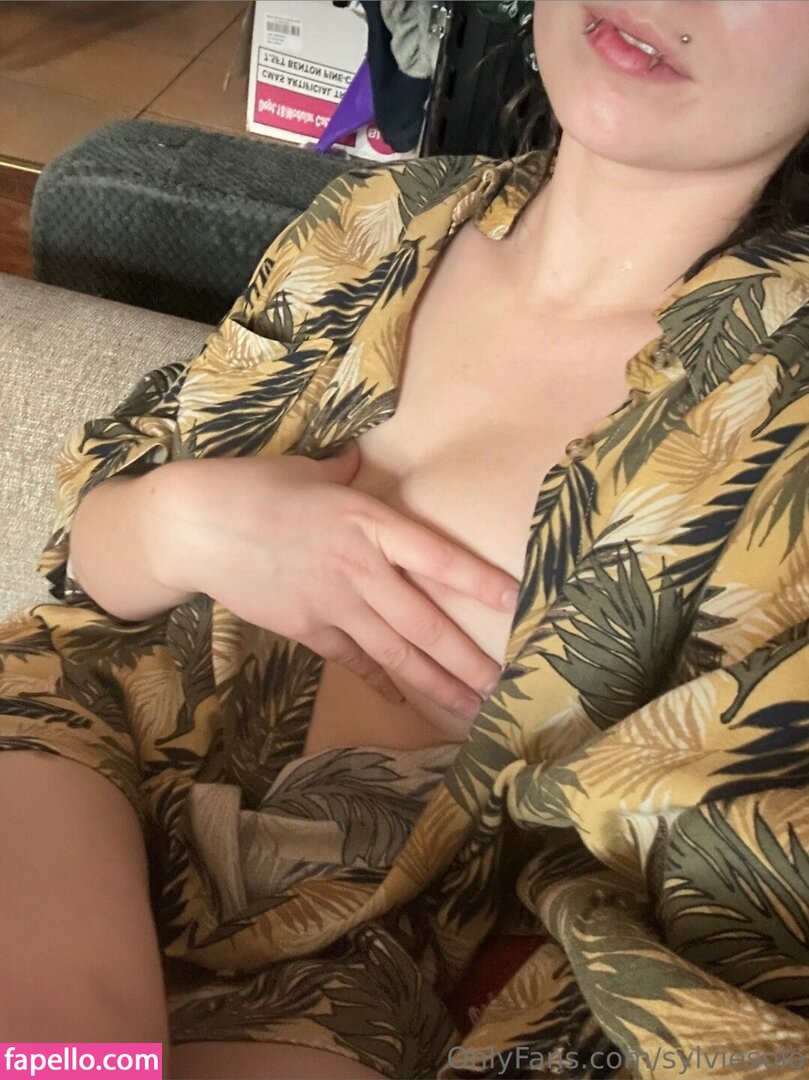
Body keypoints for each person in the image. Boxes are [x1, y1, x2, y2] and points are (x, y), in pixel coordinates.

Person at [2, 1, 809, 1076]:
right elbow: (87, 569)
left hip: (388, 955)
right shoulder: (381, 215)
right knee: (61, 1056)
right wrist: (179, 521)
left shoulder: (781, 415)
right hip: (87, 744)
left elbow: (734, 920)